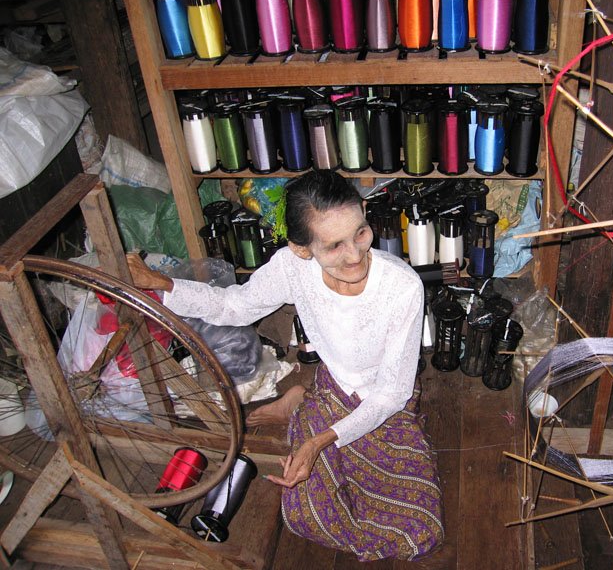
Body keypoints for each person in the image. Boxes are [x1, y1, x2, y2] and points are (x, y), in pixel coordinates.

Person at [127, 170, 443, 561]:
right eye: (334, 246)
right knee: (305, 514)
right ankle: (302, 402)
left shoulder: (402, 287)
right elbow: (235, 306)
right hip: (334, 391)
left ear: (364, 212)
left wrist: (318, 441)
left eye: (361, 233)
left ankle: (300, 405)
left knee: (419, 529)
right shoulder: (292, 268)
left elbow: (392, 393)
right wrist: (164, 284)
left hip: (382, 404)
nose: (355, 255)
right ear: (302, 249)